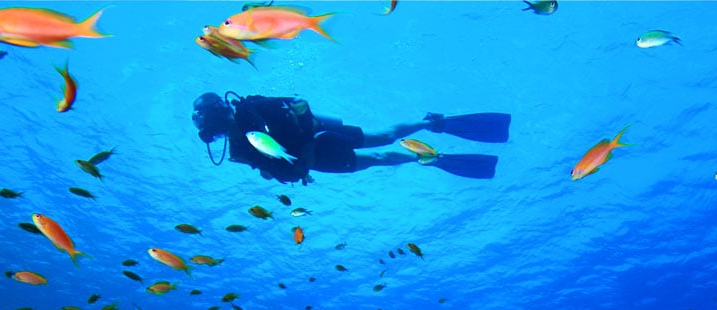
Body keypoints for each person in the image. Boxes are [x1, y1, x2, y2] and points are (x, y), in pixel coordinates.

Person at [191, 92, 511, 184]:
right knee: (380, 157)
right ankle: (427, 156)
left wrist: (306, 141)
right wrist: (299, 161)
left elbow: (297, 104)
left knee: (382, 137)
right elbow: (277, 171)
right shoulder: (238, 149)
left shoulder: (251, 106)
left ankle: (428, 124)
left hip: (320, 135)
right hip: (315, 157)